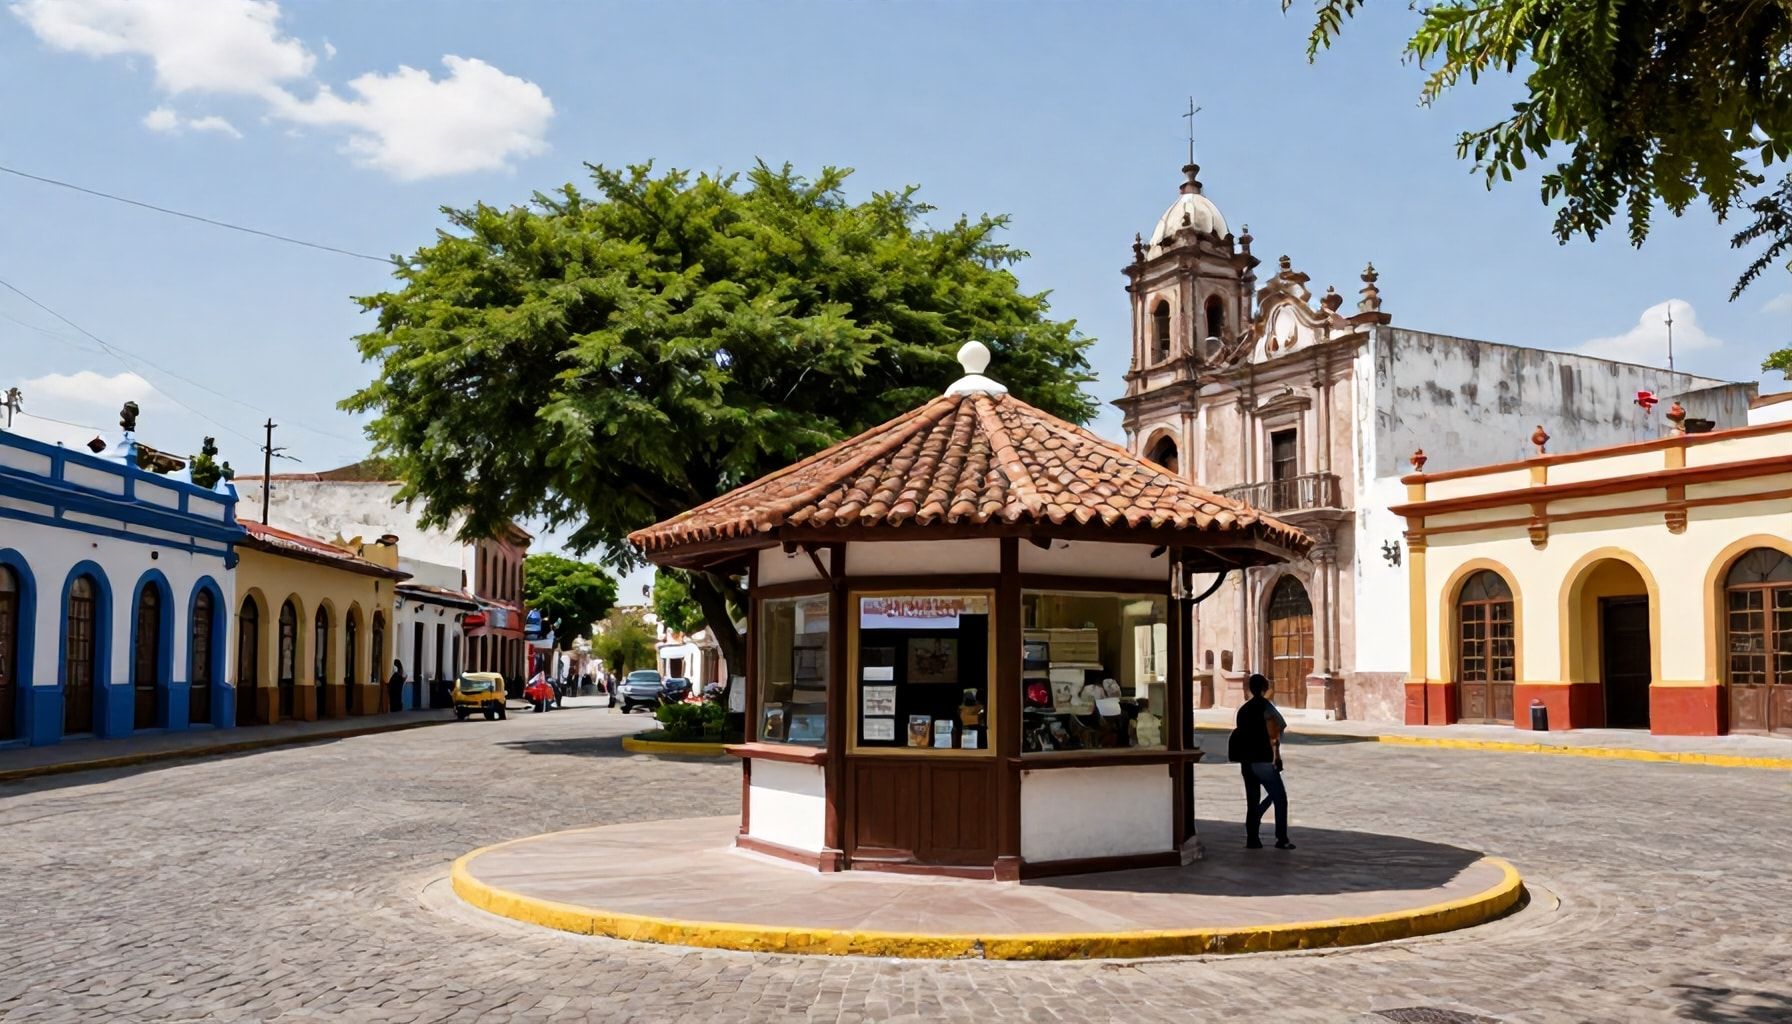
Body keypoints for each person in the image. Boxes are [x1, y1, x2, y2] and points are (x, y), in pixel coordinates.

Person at [1228, 673, 1294, 850]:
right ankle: (1281, 838)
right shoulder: (1266, 707)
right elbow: (1275, 732)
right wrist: (1277, 756)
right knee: (1279, 798)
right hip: (1263, 759)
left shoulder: (1243, 710)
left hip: (1246, 761)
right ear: (1265, 688)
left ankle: (1253, 839)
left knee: (1252, 800)